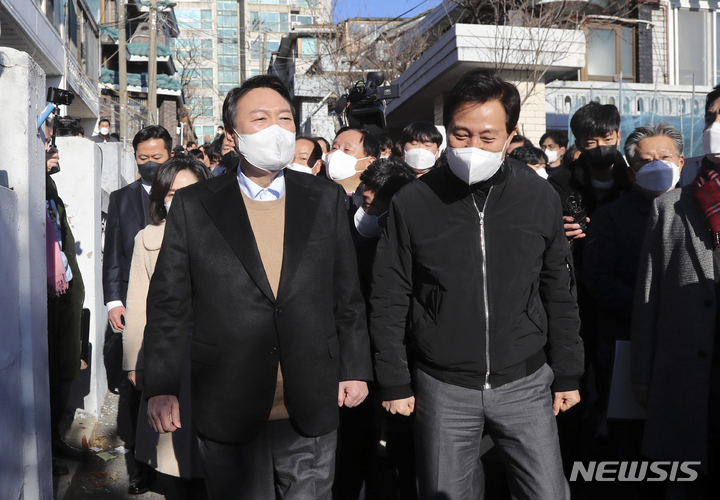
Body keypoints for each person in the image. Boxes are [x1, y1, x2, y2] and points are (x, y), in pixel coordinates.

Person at [142, 75, 372, 500]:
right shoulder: (196, 205)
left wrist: (355, 367)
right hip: (227, 399)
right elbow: (169, 304)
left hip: (311, 398)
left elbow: (347, 294)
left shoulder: (324, 199)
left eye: (285, 118)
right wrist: (161, 384)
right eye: (260, 117)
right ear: (232, 134)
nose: (276, 128)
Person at [370, 69, 583, 500]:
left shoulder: (540, 198)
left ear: (511, 136)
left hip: (524, 380)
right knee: (446, 492)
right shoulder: (414, 201)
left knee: (547, 491)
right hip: (443, 386)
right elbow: (390, 293)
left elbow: (558, 288)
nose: (471, 148)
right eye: (460, 135)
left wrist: (568, 372)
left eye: (487, 137)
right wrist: (393, 379)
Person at [631, 86, 720, 499]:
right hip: (684, 374)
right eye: (712, 118)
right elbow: (648, 299)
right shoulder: (670, 206)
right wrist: (642, 373)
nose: (717, 127)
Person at [584, 122, 684, 439]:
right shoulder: (610, 217)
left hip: (688, 344)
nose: (657, 165)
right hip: (626, 342)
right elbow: (598, 279)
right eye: (645, 161)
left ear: (681, 162)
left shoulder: (697, 211)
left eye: (665, 157)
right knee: (631, 437)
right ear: (631, 171)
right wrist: (653, 311)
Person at [123, 156, 210, 495]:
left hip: (216, 354)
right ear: (160, 198)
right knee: (174, 449)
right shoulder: (147, 239)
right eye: (172, 194)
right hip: (169, 354)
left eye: (189, 191)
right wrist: (135, 361)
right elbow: (140, 301)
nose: (181, 200)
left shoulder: (226, 234)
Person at [333, 157, 416, 500]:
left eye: (369, 204)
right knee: (352, 451)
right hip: (356, 364)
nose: (362, 210)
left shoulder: (411, 242)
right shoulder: (349, 237)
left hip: (402, 366)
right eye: (361, 200)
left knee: (402, 456)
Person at [103, 125, 172, 494]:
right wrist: (114, 301)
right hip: (135, 304)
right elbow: (113, 253)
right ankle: (137, 464)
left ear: (169, 155)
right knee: (134, 381)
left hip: (177, 305)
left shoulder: (186, 193)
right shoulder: (121, 198)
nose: (149, 165)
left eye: (156, 158)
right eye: (143, 158)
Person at [45, 121, 87, 476]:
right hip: (42, 297)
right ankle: (43, 450)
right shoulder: (34, 183)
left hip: (62, 291)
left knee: (62, 368)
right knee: (44, 372)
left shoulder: (51, 187)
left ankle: (53, 439)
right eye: (47, 142)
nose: (54, 148)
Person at [326, 127, 379, 195]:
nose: (337, 153)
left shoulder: (377, 199)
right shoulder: (313, 194)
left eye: (347, 149)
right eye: (334, 148)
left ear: (370, 162)